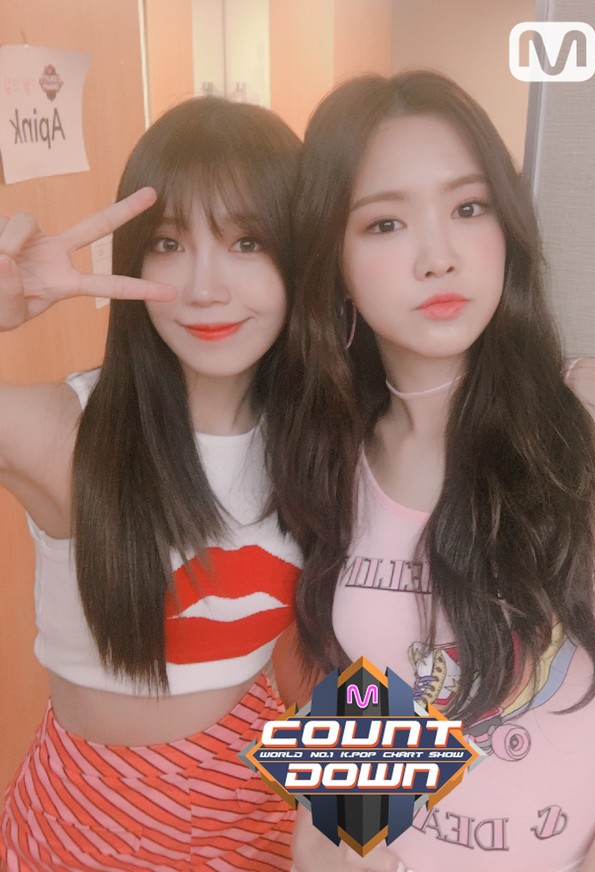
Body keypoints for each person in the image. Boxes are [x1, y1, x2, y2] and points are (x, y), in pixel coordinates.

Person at [269, 71, 595, 872]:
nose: (439, 257)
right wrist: (331, 834)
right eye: (386, 223)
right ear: (335, 260)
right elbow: (364, 692)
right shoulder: (337, 454)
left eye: (468, 208)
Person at [0, 97, 303, 871]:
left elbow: (386, 650)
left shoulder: (327, 438)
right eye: (168, 243)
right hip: (92, 819)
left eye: (246, 241)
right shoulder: (70, 431)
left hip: (264, 796)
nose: (204, 288)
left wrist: (367, 833)